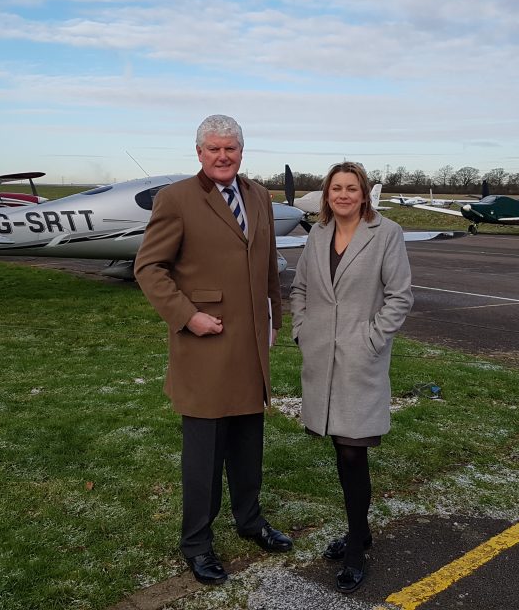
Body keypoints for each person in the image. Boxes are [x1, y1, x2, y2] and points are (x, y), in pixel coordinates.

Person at [134, 114, 292, 586]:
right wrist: (187, 316)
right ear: (199, 153)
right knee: (204, 456)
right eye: (214, 149)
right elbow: (149, 267)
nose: (223, 156)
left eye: (232, 149)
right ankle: (197, 545)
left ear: (242, 151)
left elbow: (266, 265)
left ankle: (250, 521)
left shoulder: (258, 195)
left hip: (250, 345)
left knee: (248, 444)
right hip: (206, 341)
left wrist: (273, 318)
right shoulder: (178, 198)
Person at [289, 161, 413, 594]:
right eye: (336, 188)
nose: (343, 195)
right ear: (327, 195)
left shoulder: (387, 235)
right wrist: (302, 329)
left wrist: (372, 340)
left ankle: (357, 547)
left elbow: (400, 296)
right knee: (340, 450)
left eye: (351, 188)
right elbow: (300, 288)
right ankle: (359, 531)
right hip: (322, 358)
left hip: (361, 360)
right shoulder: (317, 235)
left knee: (353, 452)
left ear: (363, 195)